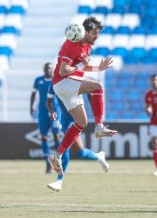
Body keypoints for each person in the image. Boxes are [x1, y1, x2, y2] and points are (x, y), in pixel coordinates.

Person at [48, 16, 117, 175]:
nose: (96, 36)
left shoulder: (87, 47)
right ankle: (99, 126)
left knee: (82, 122)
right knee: (97, 87)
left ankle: (57, 154)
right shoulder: (72, 43)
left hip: (68, 84)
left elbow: (80, 67)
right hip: (63, 82)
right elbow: (63, 70)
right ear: (85, 31)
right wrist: (81, 65)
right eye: (94, 33)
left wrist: (97, 68)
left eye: (98, 33)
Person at [46, 85, 109, 191]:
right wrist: (51, 112)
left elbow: (90, 93)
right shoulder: (55, 83)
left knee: (64, 149)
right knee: (80, 153)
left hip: (76, 120)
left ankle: (59, 181)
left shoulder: (74, 80)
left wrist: (96, 115)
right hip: (64, 120)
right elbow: (48, 101)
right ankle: (99, 157)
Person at [30, 62, 61, 174]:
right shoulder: (38, 80)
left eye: (51, 68)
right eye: (47, 68)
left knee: (56, 135)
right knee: (44, 136)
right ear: (44, 69)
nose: (49, 70)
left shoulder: (57, 80)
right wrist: (31, 107)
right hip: (43, 111)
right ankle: (48, 163)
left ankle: (57, 162)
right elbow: (33, 94)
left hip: (55, 111)